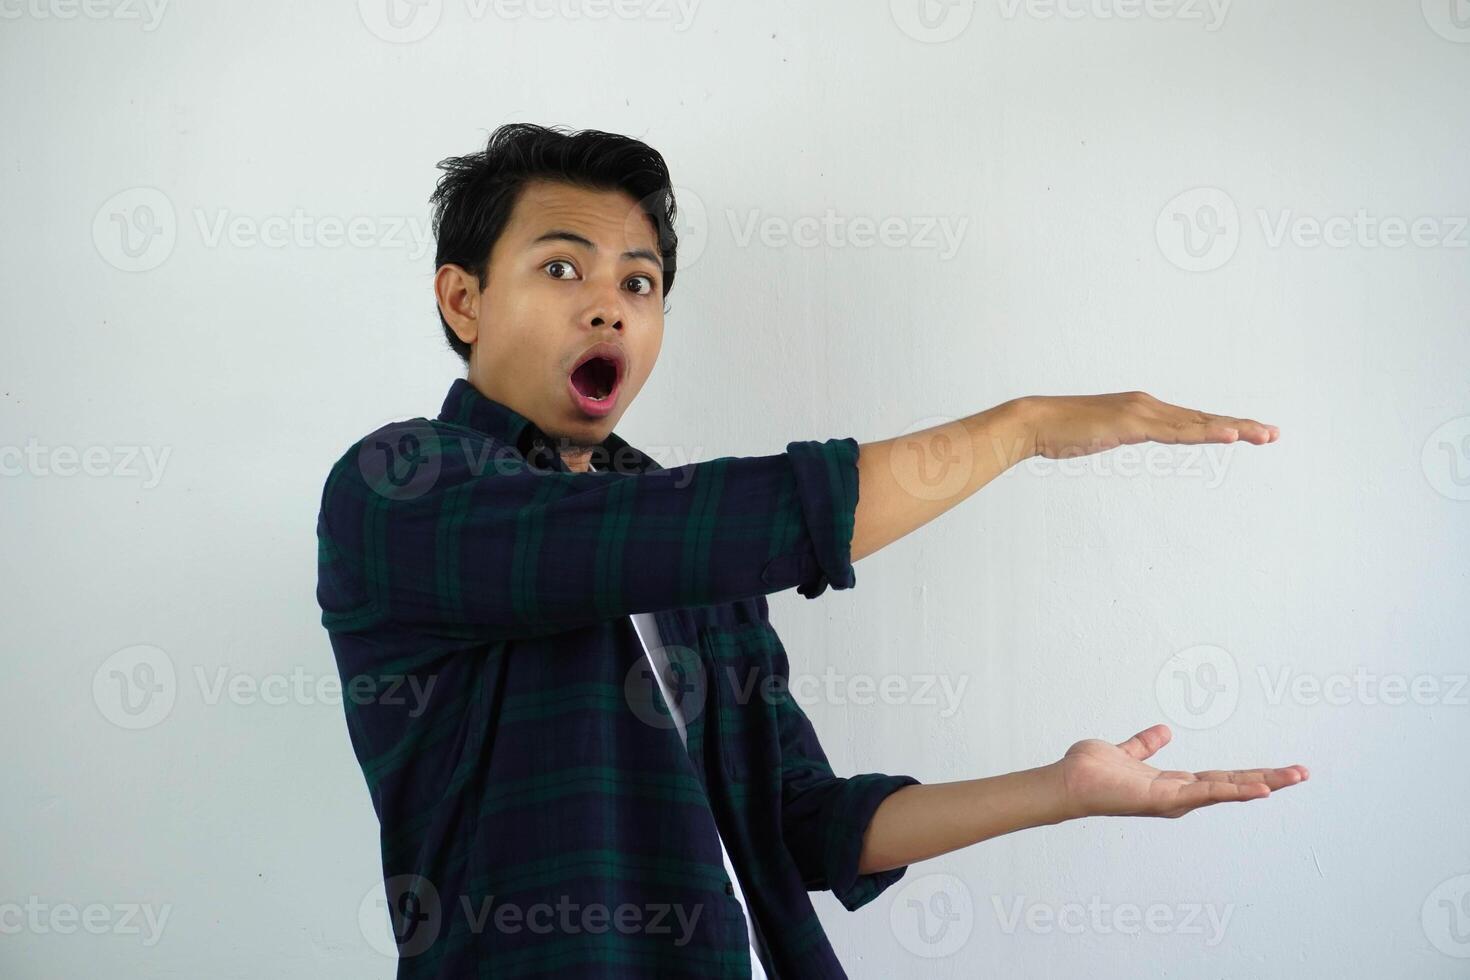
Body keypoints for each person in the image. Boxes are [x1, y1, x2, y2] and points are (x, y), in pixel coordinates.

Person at [315, 123, 1309, 979]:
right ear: (464, 300)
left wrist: (1062, 789)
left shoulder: (684, 543)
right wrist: (1024, 428)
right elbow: (701, 529)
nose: (610, 305)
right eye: (562, 267)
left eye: (641, 280)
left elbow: (807, 821)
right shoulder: (400, 487)